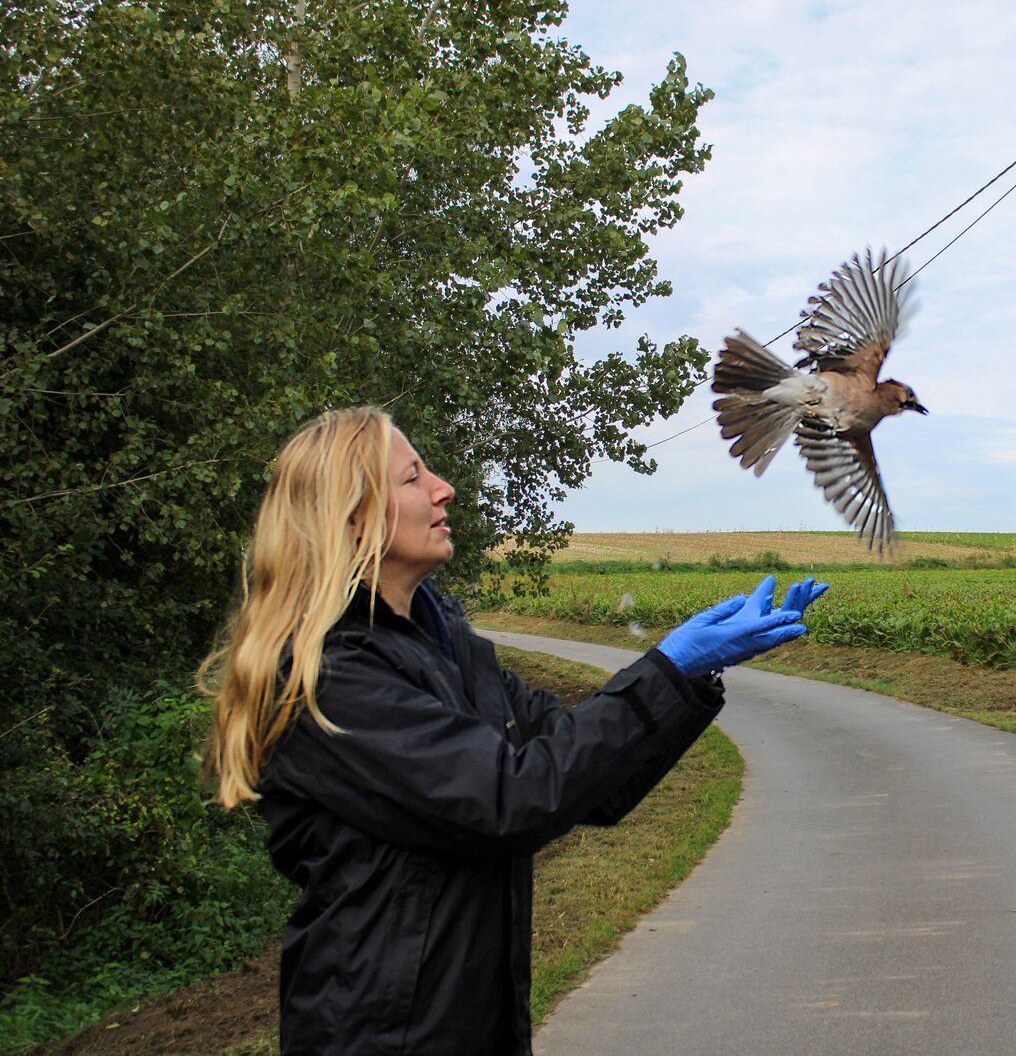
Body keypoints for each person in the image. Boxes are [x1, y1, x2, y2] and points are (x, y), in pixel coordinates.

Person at [201, 406, 826, 1055]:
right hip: (383, 1036)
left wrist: (692, 672)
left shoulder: (454, 650)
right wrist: (667, 667)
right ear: (353, 517)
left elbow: (593, 783)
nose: (444, 487)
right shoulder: (331, 676)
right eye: (413, 477)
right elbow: (509, 800)